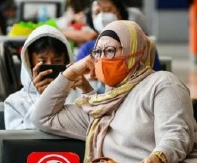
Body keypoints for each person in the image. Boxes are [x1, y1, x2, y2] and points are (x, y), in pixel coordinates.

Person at [31, 20, 197, 163]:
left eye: (110, 50)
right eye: (97, 52)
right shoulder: (99, 109)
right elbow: (43, 118)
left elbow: (176, 136)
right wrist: (69, 74)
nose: (102, 58)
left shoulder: (161, 83)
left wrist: (156, 158)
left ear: (134, 50)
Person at [4, 25, 87, 130]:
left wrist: (87, 91)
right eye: (42, 62)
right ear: (29, 63)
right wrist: (44, 98)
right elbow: (18, 140)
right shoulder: (15, 102)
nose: (50, 68)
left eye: (57, 61)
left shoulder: (79, 96)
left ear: (66, 62)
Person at [76, 0, 161, 71]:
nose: (102, 15)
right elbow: (77, 79)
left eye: (108, 10)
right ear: (91, 18)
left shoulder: (142, 46)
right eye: (97, 12)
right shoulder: (86, 50)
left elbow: (155, 78)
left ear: (119, 13)